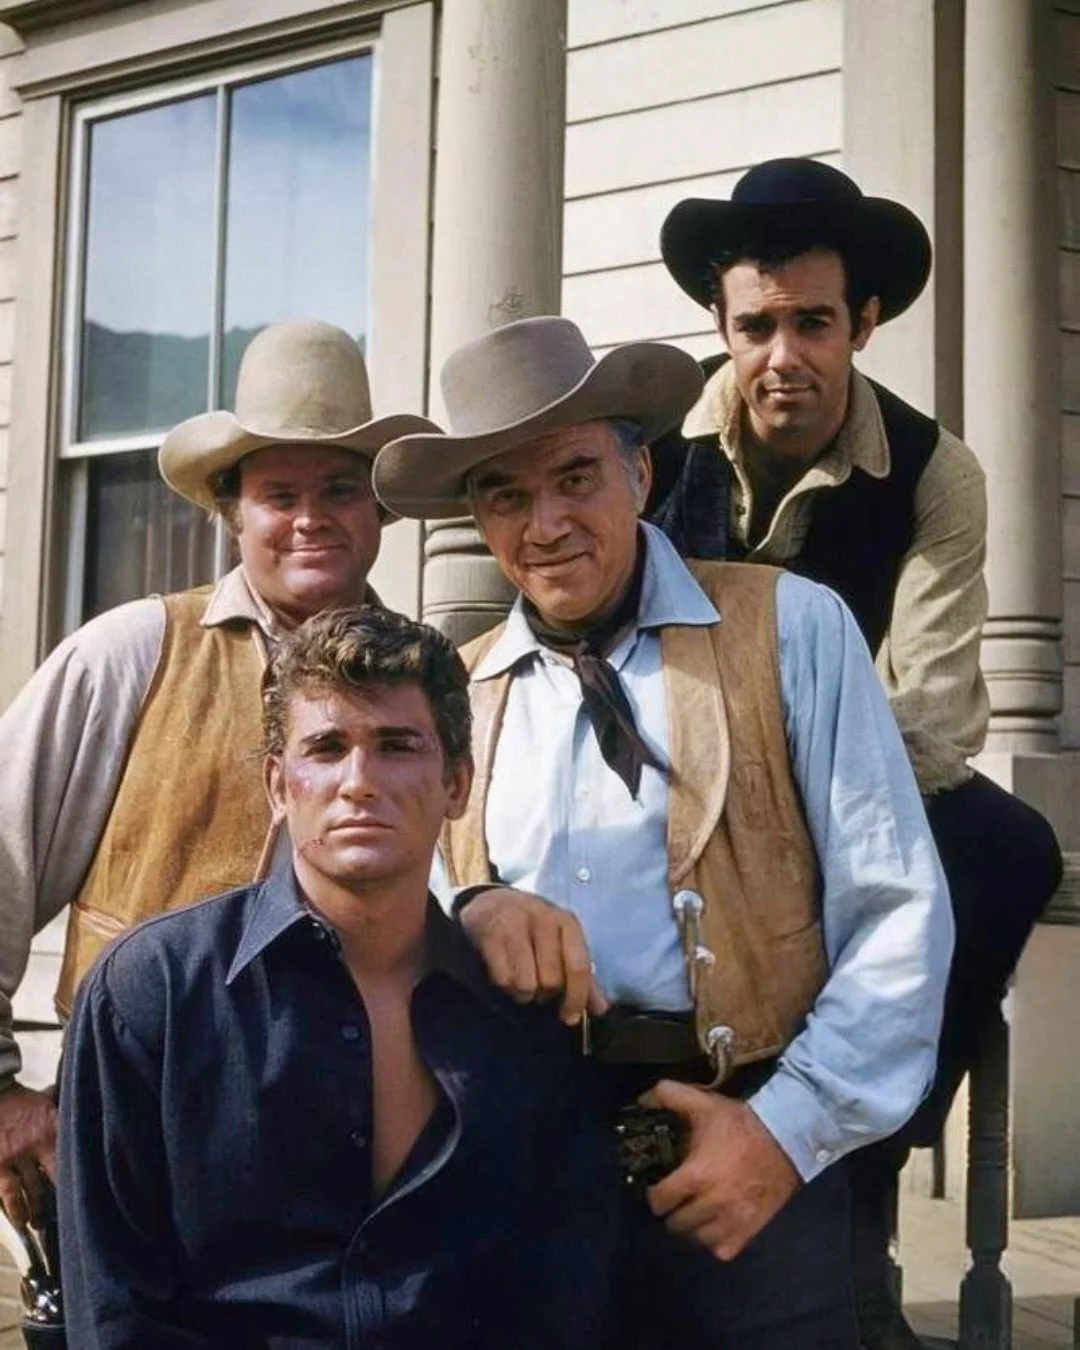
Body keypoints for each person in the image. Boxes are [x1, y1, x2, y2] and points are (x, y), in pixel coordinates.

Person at [373, 314, 953, 1349]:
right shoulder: (460, 689)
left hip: (758, 1136)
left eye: (575, 477)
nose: (545, 522)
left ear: (640, 475)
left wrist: (784, 1134)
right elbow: (378, 903)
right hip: (536, 1160)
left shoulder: (792, 627)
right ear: (478, 520)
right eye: (507, 494)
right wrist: (471, 901)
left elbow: (898, 909)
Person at [653, 157, 1064, 1348]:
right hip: (670, 770)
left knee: (1005, 845)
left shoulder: (939, 472)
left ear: (865, 322)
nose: (785, 356)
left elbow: (933, 714)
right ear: (722, 326)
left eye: (815, 324)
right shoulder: (647, 448)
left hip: (861, 783)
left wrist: (786, 819)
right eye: (758, 325)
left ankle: (859, 1157)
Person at [58, 606, 621, 1348]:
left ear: (457, 783)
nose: (359, 781)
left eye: (396, 746)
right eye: (326, 748)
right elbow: (113, 1313)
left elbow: (561, 1304)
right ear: (277, 784)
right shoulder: (152, 993)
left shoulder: (521, 1011)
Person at [0, 319, 438, 1230]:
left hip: (367, 1176)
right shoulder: (131, 655)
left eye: (340, 490)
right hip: (137, 1152)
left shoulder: (432, 685)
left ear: (379, 513)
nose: (311, 517)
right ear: (232, 511)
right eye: (279, 494)